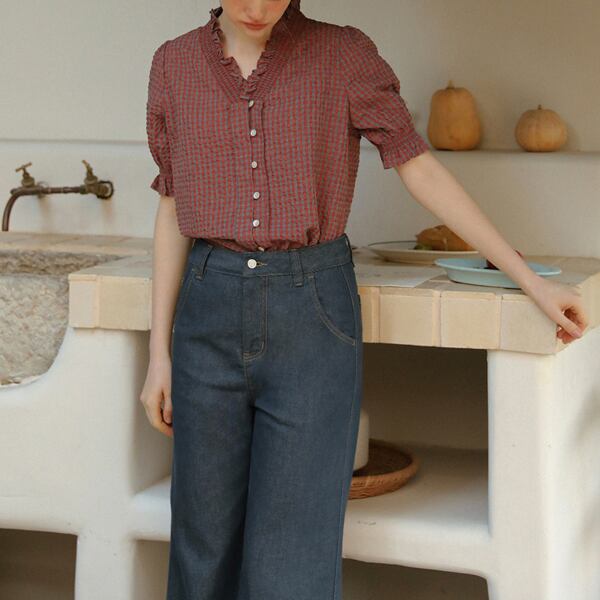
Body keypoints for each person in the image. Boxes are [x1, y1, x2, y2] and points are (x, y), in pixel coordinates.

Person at [140, 1, 589, 598]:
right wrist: (160, 356)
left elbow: (419, 167)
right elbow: (172, 204)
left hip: (312, 315)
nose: (258, 8)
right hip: (207, 308)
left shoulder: (342, 54)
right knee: (201, 552)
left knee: (291, 564)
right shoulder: (173, 64)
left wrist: (528, 279)